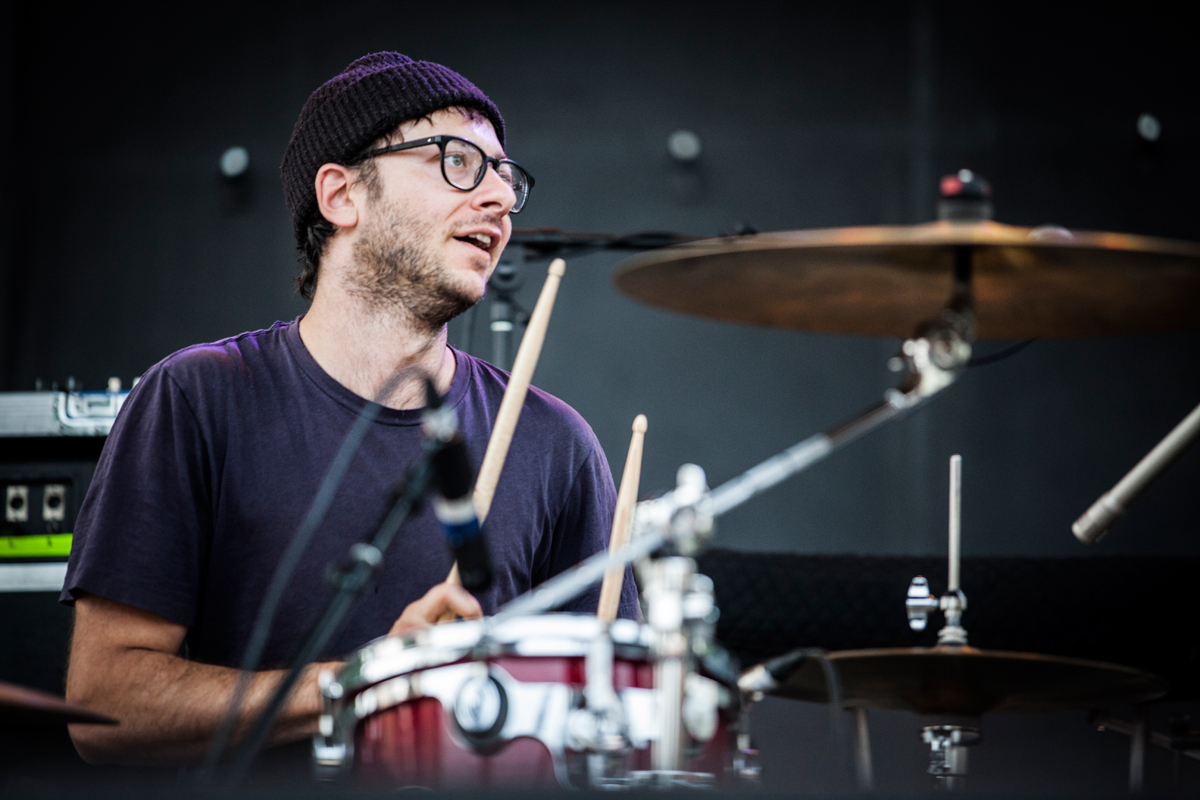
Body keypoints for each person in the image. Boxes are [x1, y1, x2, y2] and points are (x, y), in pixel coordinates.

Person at [61, 52, 639, 768]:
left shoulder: (553, 443)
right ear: (340, 195)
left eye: (504, 176)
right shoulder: (196, 399)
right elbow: (103, 708)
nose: (497, 198)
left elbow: (607, 719)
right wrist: (368, 681)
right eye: (459, 161)